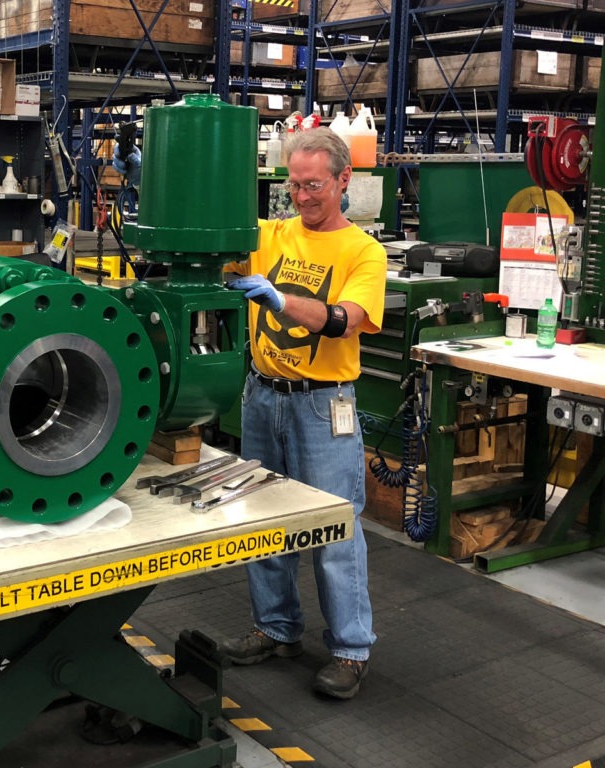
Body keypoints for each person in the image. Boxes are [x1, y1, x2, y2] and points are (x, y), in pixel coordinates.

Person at [222, 126, 386, 700]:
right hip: (261, 396)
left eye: (314, 185)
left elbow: (345, 320)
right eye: (293, 185)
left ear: (344, 180)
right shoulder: (271, 235)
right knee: (263, 521)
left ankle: (349, 648)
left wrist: (280, 300)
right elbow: (219, 247)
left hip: (323, 406)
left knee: (335, 527)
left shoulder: (363, 251)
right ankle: (276, 628)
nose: (302, 196)